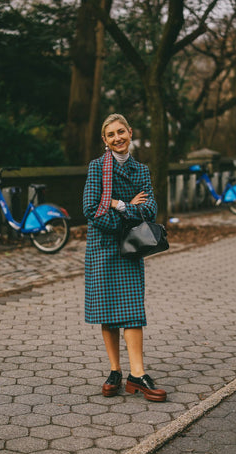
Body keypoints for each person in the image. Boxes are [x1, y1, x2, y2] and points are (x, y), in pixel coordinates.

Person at [83, 113, 166, 402]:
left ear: (130, 132)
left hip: (131, 247)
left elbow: (150, 210)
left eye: (121, 132)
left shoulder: (141, 170)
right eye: (111, 134)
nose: (117, 138)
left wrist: (121, 207)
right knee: (107, 310)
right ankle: (115, 370)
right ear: (104, 141)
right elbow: (92, 210)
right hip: (102, 248)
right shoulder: (97, 168)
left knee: (131, 309)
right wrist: (124, 208)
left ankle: (138, 374)